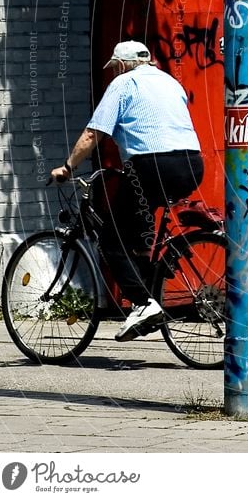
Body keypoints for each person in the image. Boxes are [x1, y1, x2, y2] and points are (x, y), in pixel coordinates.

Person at [51, 40, 204, 342]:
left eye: (114, 68)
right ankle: (151, 278)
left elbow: (94, 132)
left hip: (151, 165)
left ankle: (144, 302)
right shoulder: (170, 82)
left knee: (111, 239)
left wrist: (67, 167)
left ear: (121, 65)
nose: (113, 73)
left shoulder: (123, 83)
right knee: (135, 229)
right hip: (192, 164)